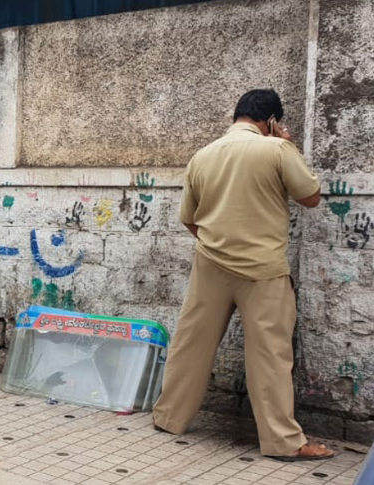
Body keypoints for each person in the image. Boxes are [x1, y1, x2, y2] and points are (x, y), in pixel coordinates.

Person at [152, 89, 334, 461]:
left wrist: (218, 245)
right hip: (262, 271)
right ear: (270, 121)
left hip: (210, 265)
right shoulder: (277, 150)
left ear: (237, 116)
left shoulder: (203, 155)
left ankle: (169, 417)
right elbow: (311, 197)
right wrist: (289, 146)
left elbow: (189, 218)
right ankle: (283, 442)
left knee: (191, 344)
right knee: (270, 355)